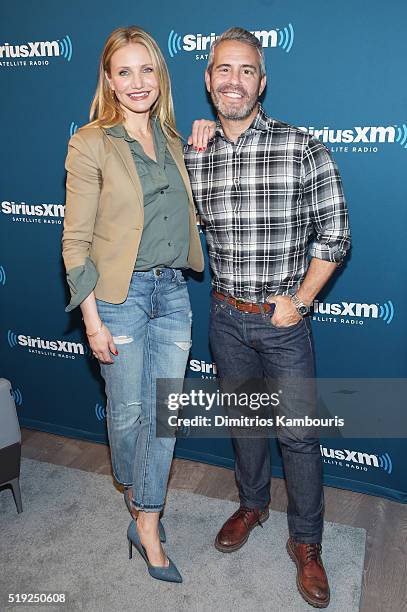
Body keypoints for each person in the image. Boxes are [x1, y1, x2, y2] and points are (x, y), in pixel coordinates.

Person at [184, 27, 350, 607]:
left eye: (246, 71)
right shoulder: (192, 153)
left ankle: (306, 543)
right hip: (225, 317)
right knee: (245, 425)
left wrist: (300, 300)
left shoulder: (300, 146)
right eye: (223, 70)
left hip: (283, 324)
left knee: (300, 438)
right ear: (208, 81)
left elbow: (336, 234)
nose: (234, 81)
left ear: (262, 81)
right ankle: (252, 505)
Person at [62, 26, 204, 583]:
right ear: (109, 80)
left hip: (172, 293)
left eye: (147, 70)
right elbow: (75, 241)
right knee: (127, 417)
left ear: (159, 76)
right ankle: (135, 493)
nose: (137, 82)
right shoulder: (90, 142)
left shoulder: (172, 140)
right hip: (118, 300)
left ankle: (147, 519)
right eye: (125, 72)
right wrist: (91, 319)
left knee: (164, 418)